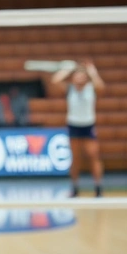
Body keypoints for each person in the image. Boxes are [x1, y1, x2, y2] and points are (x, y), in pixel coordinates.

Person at [51, 60, 106, 197]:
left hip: (88, 126)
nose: (79, 78)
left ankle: (98, 187)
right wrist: (67, 70)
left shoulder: (91, 89)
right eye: (77, 75)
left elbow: (101, 86)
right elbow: (55, 81)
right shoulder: (69, 89)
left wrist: (92, 72)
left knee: (93, 156)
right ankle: (75, 188)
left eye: (82, 76)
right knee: (75, 159)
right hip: (74, 126)